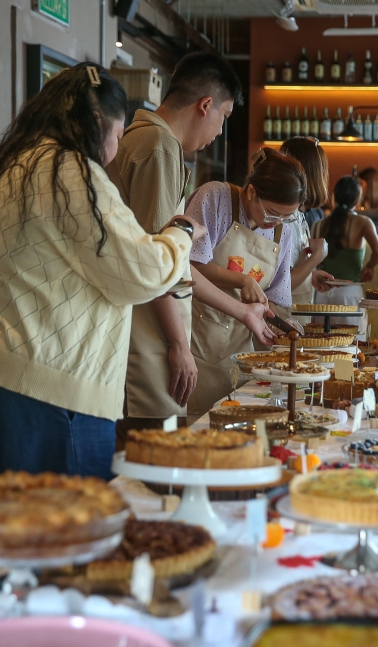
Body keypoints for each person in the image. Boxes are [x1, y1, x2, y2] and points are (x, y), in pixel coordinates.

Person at [0, 63, 198, 483]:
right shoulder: (71, 172)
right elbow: (143, 271)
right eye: (116, 136)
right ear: (96, 124)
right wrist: (181, 231)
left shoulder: (13, 164)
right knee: (65, 533)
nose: (114, 151)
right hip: (39, 386)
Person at [106, 52, 274, 438]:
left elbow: (173, 262)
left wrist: (243, 313)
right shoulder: (158, 146)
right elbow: (158, 263)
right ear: (205, 106)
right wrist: (180, 346)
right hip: (147, 336)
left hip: (151, 329)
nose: (218, 132)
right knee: (150, 459)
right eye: (224, 118)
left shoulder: (149, 139)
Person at [185, 149, 307, 415]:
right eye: (273, 212)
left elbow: (276, 297)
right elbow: (189, 264)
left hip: (241, 349)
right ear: (251, 192)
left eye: (287, 217)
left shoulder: (280, 232)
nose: (277, 222)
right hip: (194, 339)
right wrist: (242, 280)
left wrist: (283, 328)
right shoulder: (216, 197)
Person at [313, 176, 378, 335]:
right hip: (350, 295)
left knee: (321, 347)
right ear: (358, 200)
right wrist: (369, 267)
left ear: (333, 198)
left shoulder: (318, 225)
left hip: (322, 296)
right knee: (353, 348)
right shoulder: (363, 222)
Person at [279, 136, 334, 317]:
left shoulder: (298, 215)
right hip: (280, 323)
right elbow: (278, 286)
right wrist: (315, 258)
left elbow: (291, 270)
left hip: (295, 318)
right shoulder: (281, 219)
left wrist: (311, 275)